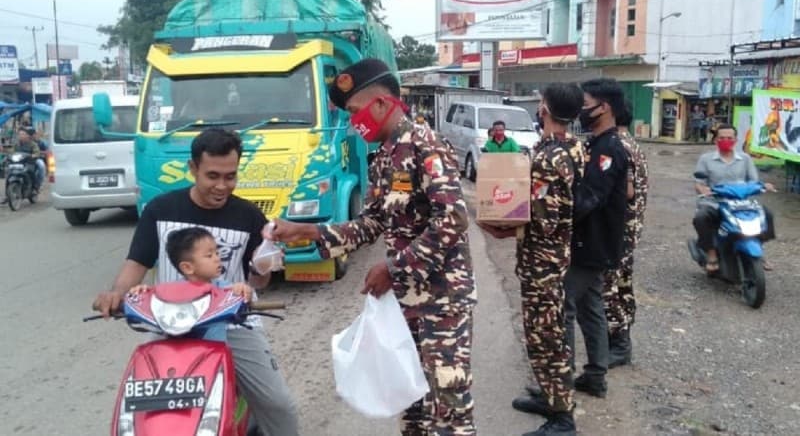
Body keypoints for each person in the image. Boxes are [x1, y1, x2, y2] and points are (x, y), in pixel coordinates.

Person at [269, 58, 477, 435]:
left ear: (381, 104)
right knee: (412, 403)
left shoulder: (424, 145)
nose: (352, 122)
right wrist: (309, 233)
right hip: (407, 303)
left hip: (441, 301)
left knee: (448, 411)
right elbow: (375, 222)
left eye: (354, 111)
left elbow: (452, 219)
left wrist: (394, 269)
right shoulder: (384, 156)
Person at [91, 128, 299, 435]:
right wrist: (115, 294)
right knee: (140, 410)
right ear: (193, 169)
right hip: (168, 326)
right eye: (212, 175)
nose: (221, 185)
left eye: (230, 176)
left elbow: (259, 281)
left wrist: (264, 265)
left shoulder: (249, 216)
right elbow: (136, 264)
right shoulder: (161, 211)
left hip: (232, 326)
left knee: (279, 406)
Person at [479, 83, 585, 436]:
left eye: (541, 103)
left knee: (546, 336)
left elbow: (546, 218)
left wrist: (505, 227)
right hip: (554, 257)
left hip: (543, 262)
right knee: (546, 331)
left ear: (544, 109)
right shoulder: (571, 147)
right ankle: (548, 396)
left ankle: (562, 418)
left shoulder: (549, 158)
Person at [565, 78, 629, 398]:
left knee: (563, 304)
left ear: (604, 107)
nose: (581, 110)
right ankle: (595, 375)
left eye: (586, 103)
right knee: (590, 307)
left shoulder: (609, 149)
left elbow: (589, 198)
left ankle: (558, 384)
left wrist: (549, 218)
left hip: (593, 243)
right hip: (590, 242)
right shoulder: (596, 143)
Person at [128, 226, 254, 341]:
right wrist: (142, 291)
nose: (217, 259)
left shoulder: (222, 289)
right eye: (209, 255)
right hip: (177, 351)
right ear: (187, 267)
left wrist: (241, 289)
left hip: (213, 355)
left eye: (217, 253)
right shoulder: (171, 290)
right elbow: (154, 296)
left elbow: (239, 294)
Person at [693, 124, 776, 273]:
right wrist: (702, 189)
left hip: (742, 202)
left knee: (766, 214)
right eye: (722, 138)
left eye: (729, 138)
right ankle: (712, 254)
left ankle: (758, 249)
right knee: (701, 217)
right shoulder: (706, 159)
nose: (726, 140)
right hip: (715, 202)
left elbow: (753, 181)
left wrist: (763, 186)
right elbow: (699, 183)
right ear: (715, 140)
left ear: (736, 140)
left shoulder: (745, 159)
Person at [602, 101, 649, 369]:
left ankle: (618, 343)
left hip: (619, 228)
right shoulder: (630, 143)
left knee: (608, 286)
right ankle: (621, 339)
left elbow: (627, 191)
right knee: (622, 283)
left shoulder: (618, 146)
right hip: (629, 227)